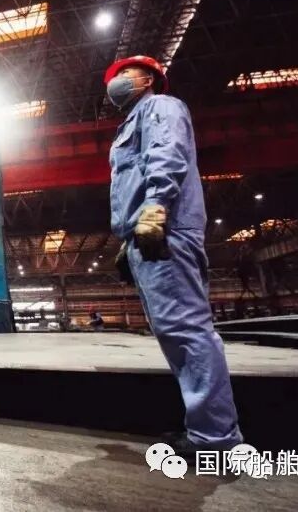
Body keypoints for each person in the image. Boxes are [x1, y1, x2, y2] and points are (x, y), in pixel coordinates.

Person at [104, 55, 243, 456]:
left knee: (186, 331)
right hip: (148, 234)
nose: (116, 81)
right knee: (175, 333)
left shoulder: (161, 107)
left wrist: (155, 208)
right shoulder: (132, 122)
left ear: (149, 78)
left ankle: (215, 439)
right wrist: (130, 237)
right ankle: (207, 431)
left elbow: (167, 154)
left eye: (124, 73)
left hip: (166, 231)